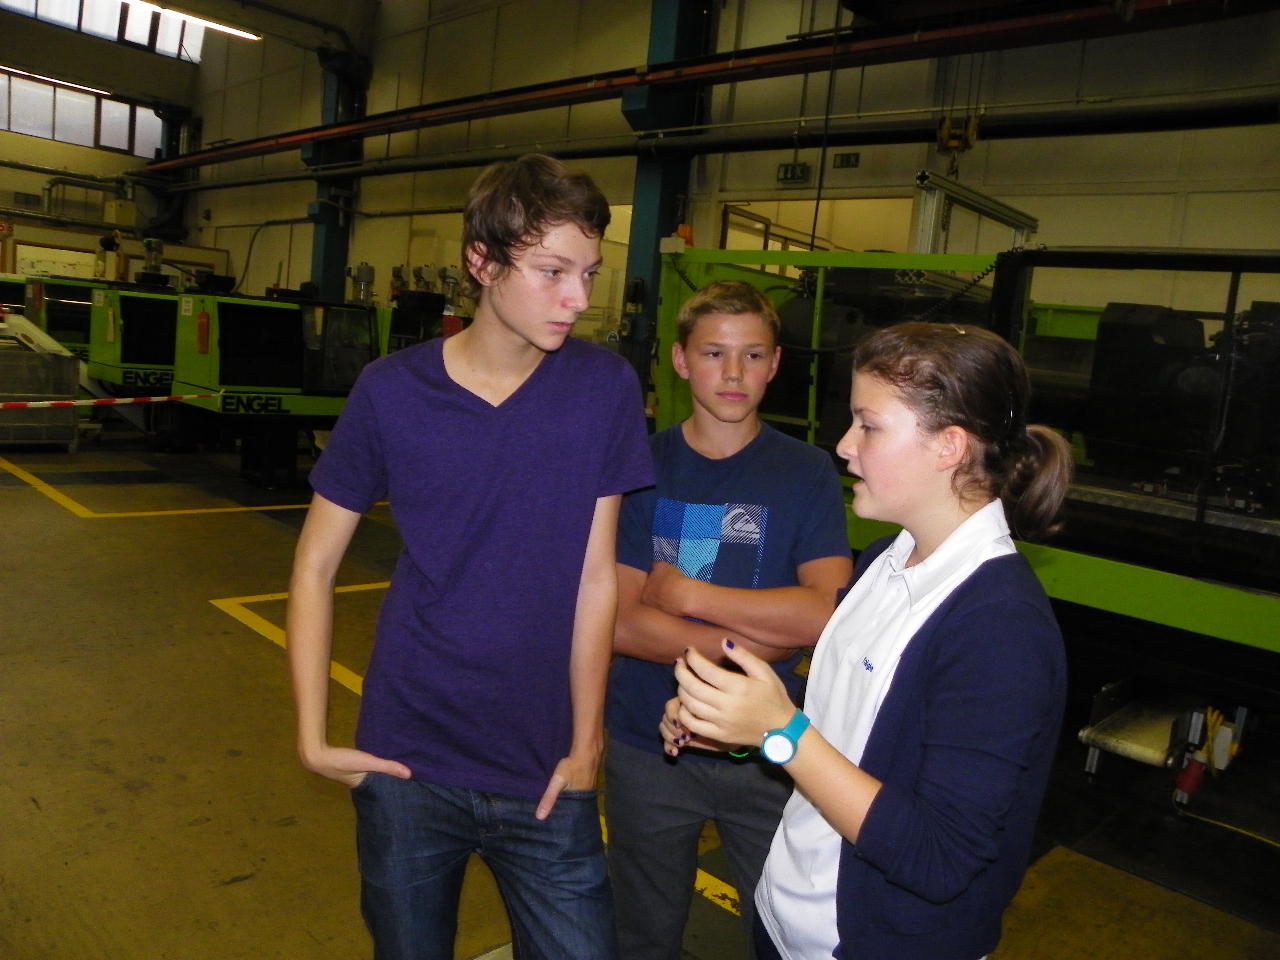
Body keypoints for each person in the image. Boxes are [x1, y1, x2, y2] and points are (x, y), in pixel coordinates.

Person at [286, 154, 653, 960]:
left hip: (545, 769)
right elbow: (314, 566)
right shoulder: (391, 391)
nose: (579, 299)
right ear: (481, 263)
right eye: (552, 272)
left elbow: (596, 577)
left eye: (589, 273)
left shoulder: (604, 389)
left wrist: (587, 742)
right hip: (406, 763)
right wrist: (313, 736)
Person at [665, 322, 1071, 960]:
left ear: (949, 446)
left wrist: (779, 731)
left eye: (869, 426)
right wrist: (740, 726)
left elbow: (940, 857)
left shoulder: (1000, 629)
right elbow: (848, 735)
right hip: (785, 918)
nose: (845, 445)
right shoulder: (887, 558)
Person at [607, 280, 852, 959]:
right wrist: (753, 644)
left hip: (771, 752)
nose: (734, 372)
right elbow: (621, 624)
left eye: (753, 354)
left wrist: (687, 593)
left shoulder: (806, 472)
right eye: (714, 353)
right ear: (681, 361)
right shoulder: (638, 467)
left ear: (776, 364)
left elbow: (825, 614)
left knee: (782, 931)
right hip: (648, 745)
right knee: (642, 930)